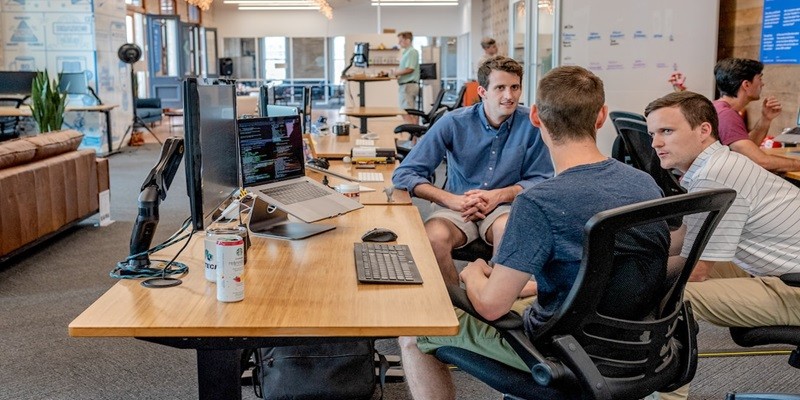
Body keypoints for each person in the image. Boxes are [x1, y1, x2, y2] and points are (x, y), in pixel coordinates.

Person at [398, 65, 670, 400]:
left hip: (560, 352)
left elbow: (491, 308)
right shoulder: (644, 183)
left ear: (537, 117)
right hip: (638, 344)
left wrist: (474, 272)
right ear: (601, 117)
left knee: (411, 333)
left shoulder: (538, 203)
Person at [392, 55, 553, 287]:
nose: (509, 96)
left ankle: (493, 303)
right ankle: (458, 306)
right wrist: (451, 200)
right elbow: (404, 174)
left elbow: (542, 179)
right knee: (431, 238)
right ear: (482, 91)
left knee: (508, 232)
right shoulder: (453, 122)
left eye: (514, 87)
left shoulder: (531, 124)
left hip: (504, 207)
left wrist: (498, 195)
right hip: (457, 205)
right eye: (500, 88)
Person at [712, 58, 800, 172]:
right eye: (760, 78)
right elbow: (761, 161)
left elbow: (747, 150)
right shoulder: (726, 115)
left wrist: (766, 119)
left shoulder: (719, 108)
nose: (762, 83)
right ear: (746, 84)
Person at [393, 31, 420, 124]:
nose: (399, 43)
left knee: (406, 112)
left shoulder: (412, 52)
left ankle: (413, 135)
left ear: (408, 40)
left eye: (401, 41)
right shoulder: (406, 53)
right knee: (408, 112)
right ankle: (414, 137)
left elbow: (410, 69)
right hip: (406, 85)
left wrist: (396, 73)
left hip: (408, 86)